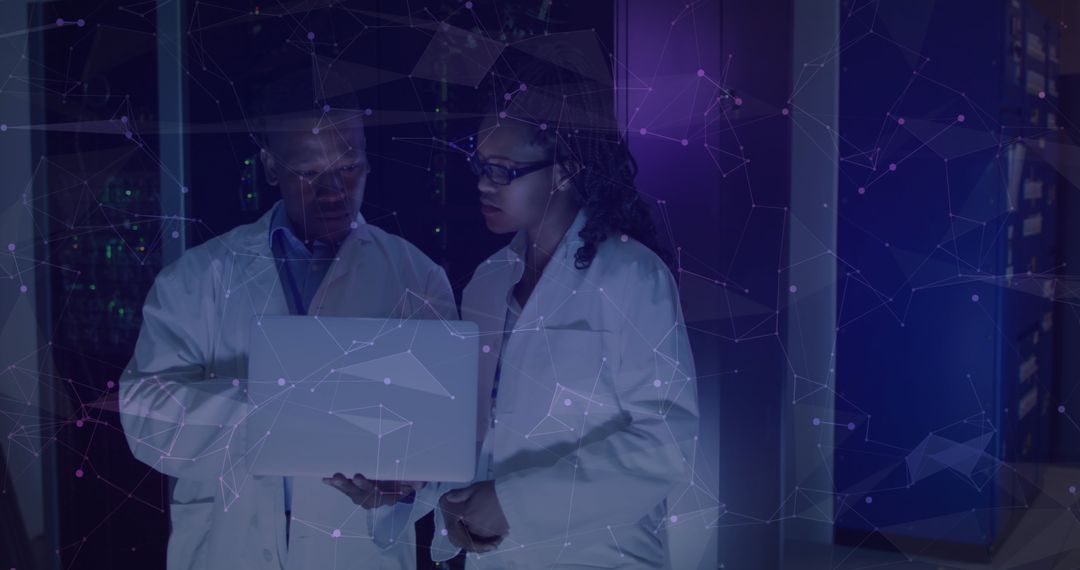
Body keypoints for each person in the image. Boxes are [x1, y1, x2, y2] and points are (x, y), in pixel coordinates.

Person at [118, 64, 456, 570]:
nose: (334, 191)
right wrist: (284, 405)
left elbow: (441, 436)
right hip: (229, 548)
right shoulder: (198, 277)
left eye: (349, 168)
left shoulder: (417, 279)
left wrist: (403, 492)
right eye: (309, 171)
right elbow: (145, 415)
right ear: (270, 166)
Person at [429, 44, 700, 568]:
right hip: (493, 554)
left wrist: (513, 502)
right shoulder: (486, 285)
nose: (484, 184)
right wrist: (424, 489)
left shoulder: (633, 278)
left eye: (504, 170)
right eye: (480, 164)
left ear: (566, 167)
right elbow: (476, 429)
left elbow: (664, 444)